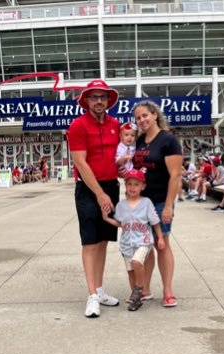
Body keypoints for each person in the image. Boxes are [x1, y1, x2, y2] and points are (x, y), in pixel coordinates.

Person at [68, 79, 121, 318]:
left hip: (112, 186)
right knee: (89, 242)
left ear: (108, 100)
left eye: (103, 97)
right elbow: (80, 162)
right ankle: (91, 296)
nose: (99, 101)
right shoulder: (78, 126)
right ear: (86, 101)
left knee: (103, 241)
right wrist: (100, 194)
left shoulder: (115, 124)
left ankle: (99, 290)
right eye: (94, 97)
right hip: (89, 190)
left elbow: (120, 154)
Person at [133, 100, 183, 307]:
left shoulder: (168, 140)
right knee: (144, 245)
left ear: (154, 115)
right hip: (141, 203)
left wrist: (169, 205)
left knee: (162, 245)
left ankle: (168, 290)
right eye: (138, 118)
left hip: (161, 201)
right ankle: (145, 289)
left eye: (145, 115)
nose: (142, 120)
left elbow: (175, 175)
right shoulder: (140, 141)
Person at [102, 169, 165, 311]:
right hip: (126, 244)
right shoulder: (121, 205)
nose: (132, 187)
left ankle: (139, 289)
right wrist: (106, 218)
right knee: (131, 272)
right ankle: (136, 298)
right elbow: (120, 223)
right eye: (129, 184)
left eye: (136, 184)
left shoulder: (146, 202)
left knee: (137, 262)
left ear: (143, 186)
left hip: (143, 241)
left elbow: (155, 222)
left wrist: (160, 237)